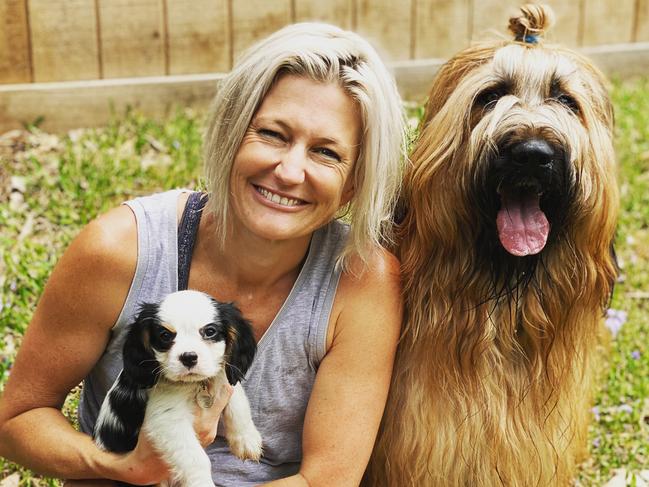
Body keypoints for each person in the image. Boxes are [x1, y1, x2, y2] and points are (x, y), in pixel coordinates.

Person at [0, 22, 406, 486]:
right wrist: (120, 466)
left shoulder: (363, 281)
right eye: (273, 134)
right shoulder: (121, 250)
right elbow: (17, 422)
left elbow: (327, 479)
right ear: (232, 134)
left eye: (326, 153)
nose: (290, 171)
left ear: (355, 182)